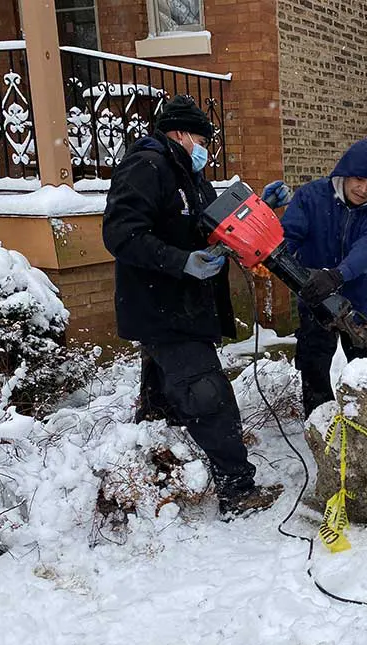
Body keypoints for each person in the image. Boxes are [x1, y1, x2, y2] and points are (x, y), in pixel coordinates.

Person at [102, 94, 281, 520]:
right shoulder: (146, 168)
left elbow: (206, 225)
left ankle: (155, 470)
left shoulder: (187, 173)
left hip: (182, 309)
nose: (205, 147)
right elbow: (121, 233)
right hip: (164, 310)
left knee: (165, 398)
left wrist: (259, 207)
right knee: (208, 396)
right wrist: (180, 261)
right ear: (179, 133)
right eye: (201, 137)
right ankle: (238, 491)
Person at [262, 136, 367, 418]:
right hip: (313, 298)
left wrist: (337, 276)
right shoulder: (312, 197)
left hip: (358, 301)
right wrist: (277, 255)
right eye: (359, 179)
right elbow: (290, 236)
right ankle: (319, 422)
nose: (363, 189)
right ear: (346, 173)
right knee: (314, 364)